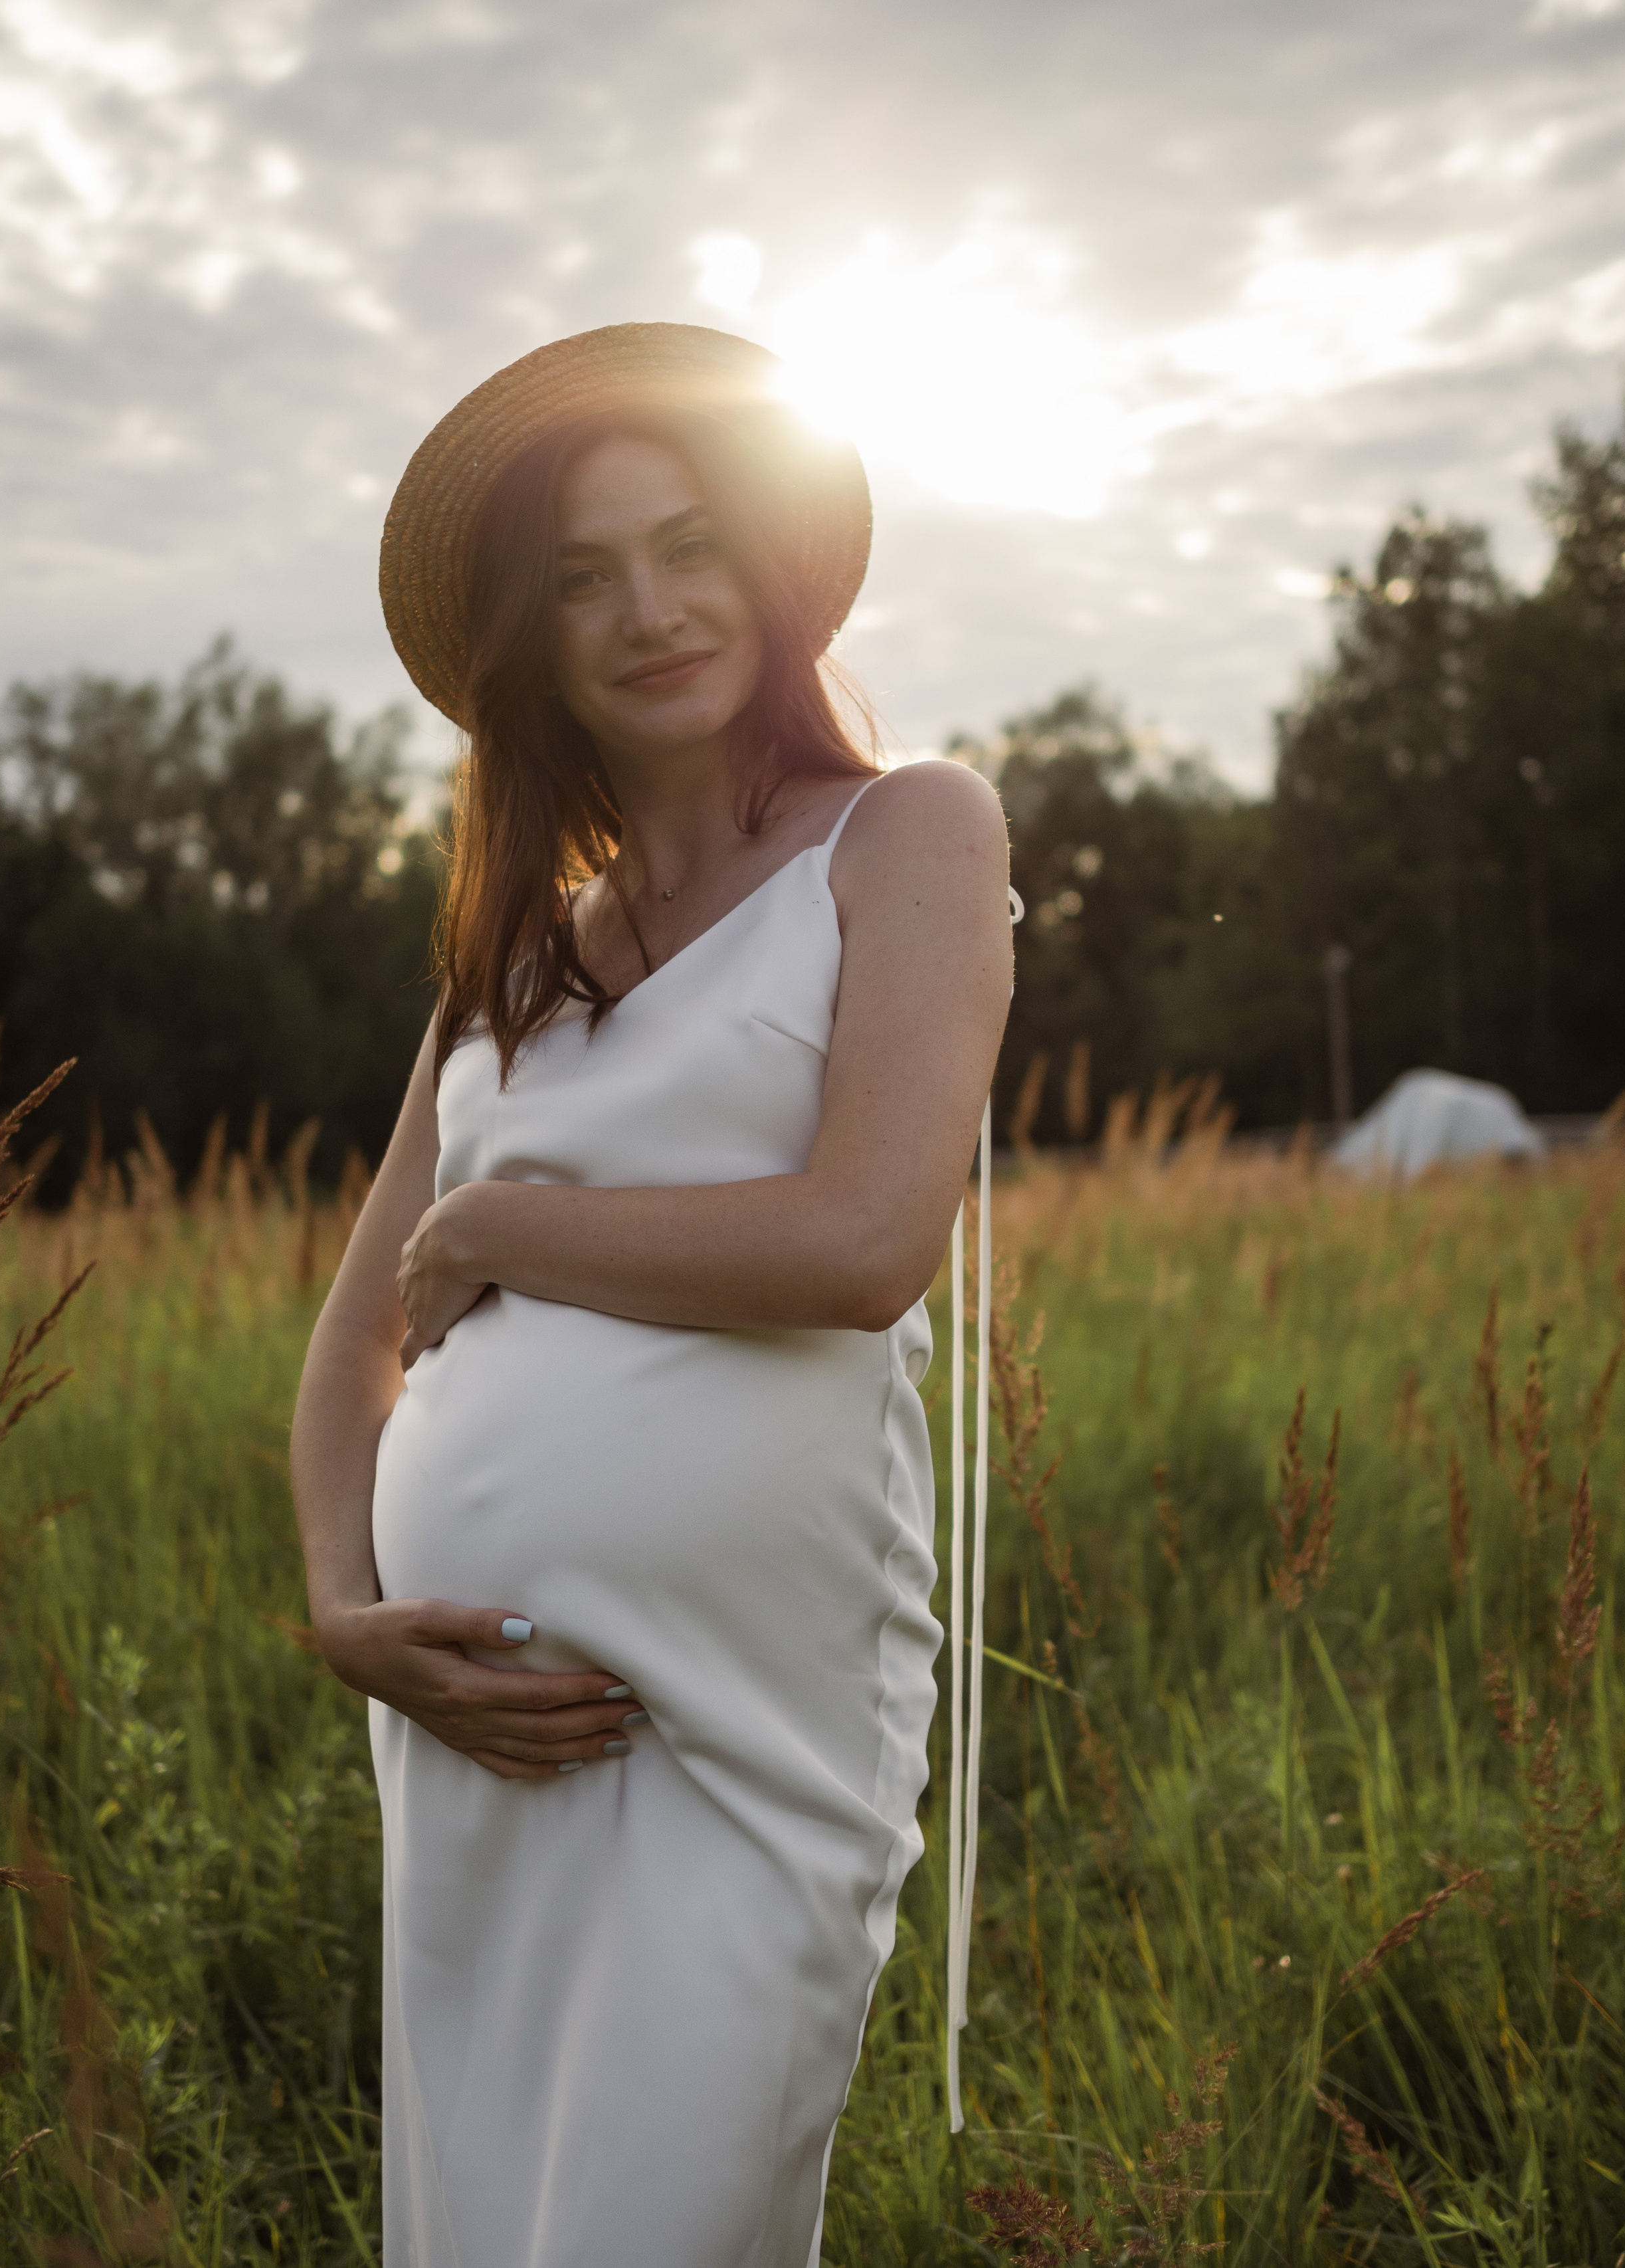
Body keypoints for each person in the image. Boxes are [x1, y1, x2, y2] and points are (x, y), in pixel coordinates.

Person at [290, 322, 1011, 2268]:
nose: (652, 611)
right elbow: (354, 1345)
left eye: (691, 545)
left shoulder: (908, 831)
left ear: (767, 565)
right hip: (483, 1732)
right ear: (527, 643)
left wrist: (508, 1233)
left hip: (748, 1726)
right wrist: (346, 1611)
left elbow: (865, 1244)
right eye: (584, 577)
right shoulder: (513, 955)